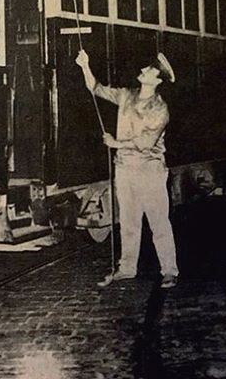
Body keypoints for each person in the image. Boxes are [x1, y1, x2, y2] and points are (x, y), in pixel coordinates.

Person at [75, 48, 179, 289]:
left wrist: (115, 143)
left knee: (158, 222)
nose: (143, 70)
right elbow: (96, 88)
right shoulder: (126, 95)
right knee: (129, 221)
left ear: (158, 80)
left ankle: (169, 270)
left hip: (149, 171)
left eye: (150, 70)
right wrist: (84, 66)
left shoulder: (160, 109)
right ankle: (127, 268)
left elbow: (146, 142)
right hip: (124, 169)